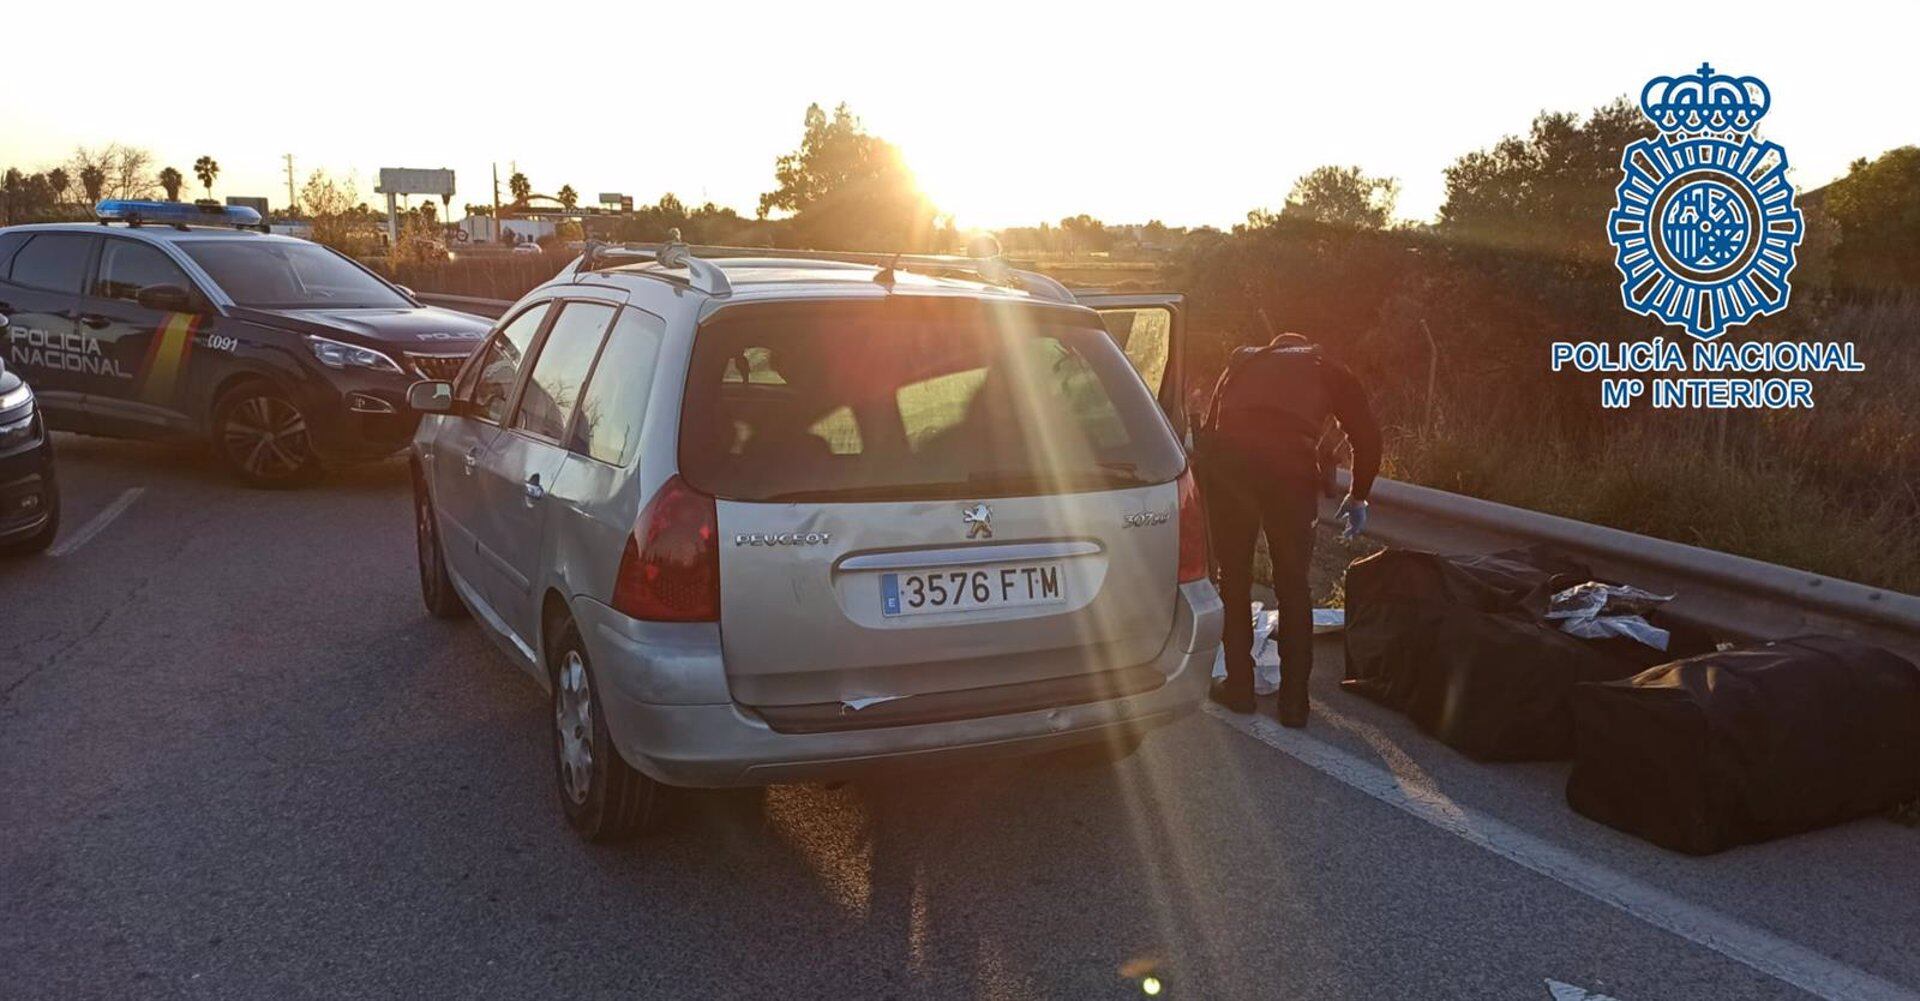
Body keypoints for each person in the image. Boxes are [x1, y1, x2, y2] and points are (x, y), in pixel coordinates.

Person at [1196, 332, 1380, 727]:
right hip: (1290, 473)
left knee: (1234, 579)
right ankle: (1295, 704)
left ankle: (1240, 689)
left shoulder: (1242, 361)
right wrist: (1359, 496)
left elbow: (1210, 431)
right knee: (1293, 585)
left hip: (1230, 469)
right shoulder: (1327, 367)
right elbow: (1368, 438)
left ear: (1273, 348)